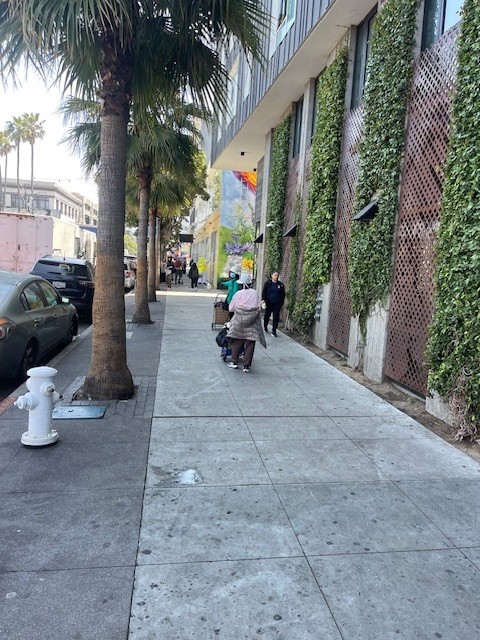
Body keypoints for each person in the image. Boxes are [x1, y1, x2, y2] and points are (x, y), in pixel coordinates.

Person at [227, 274, 266, 373]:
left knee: (237, 340)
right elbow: (257, 306)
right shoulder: (255, 293)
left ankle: (234, 362)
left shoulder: (238, 294)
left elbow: (231, 308)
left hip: (239, 319)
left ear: (243, 284)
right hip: (252, 321)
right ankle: (246, 366)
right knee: (250, 343)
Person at [261, 270, 286, 337]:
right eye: (275, 275)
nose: (276, 276)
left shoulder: (280, 285)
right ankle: (265, 326)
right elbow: (264, 292)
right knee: (267, 315)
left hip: (277, 303)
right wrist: (263, 299)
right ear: (272, 276)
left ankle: (274, 330)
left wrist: (281, 302)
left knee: (276, 317)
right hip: (269, 302)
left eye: (277, 275)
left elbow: (283, 294)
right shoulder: (268, 283)